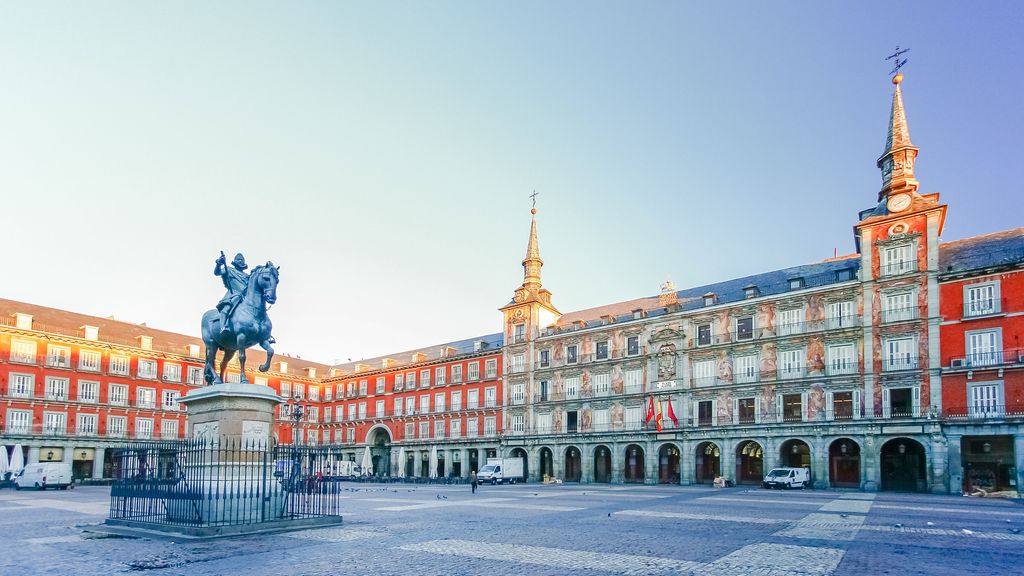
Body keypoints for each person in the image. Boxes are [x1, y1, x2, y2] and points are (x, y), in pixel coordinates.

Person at [214, 251, 250, 339]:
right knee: (227, 308)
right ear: (235, 261)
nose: (240, 261)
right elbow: (217, 272)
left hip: (246, 298)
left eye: (242, 260)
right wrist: (219, 263)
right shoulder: (229, 270)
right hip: (233, 294)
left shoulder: (247, 276)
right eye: (238, 259)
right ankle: (223, 327)